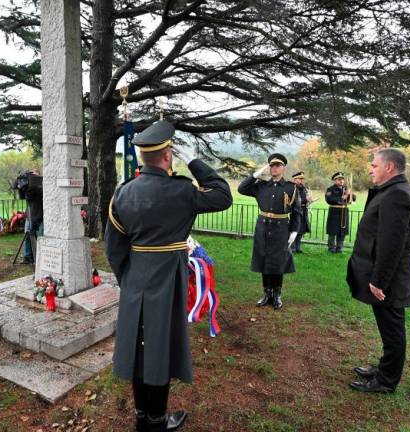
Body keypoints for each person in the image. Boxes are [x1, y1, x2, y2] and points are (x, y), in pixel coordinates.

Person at [105, 120, 232, 431]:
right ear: (167, 156)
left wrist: (129, 279)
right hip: (168, 276)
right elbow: (222, 195)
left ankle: (141, 418)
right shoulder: (182, 191)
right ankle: (157, 421)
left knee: (139, 344)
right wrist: (193, 160)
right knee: (160, 346)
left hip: (135, 277)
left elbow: (113, 248)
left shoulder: (122, 194)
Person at [346, 148, 410, 394]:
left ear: (389, 167)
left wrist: (379, 281)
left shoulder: (396, 194)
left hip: (390, 279)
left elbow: (392, 243)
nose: (370, 169)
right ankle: (384, 369)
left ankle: (387, 381)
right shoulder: (392, 191)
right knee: (388, 328)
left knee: (392, 329)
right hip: (387, 275)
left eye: (374, 165)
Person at [238, 153, 302, 310]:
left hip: (281, 229)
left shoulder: (290, 187)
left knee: (277, 261)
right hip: (263, 227)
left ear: (283, 168)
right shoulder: (261, 186)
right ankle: (266, 293)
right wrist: (257, 173)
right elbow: (241, 188)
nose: (274, 168)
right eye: (272, 166)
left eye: (277, 165)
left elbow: (297, 211)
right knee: (264, 259)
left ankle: (277, 294)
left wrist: (294, 231)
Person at [325, 172, 355, 253]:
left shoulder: (346, 188)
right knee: (332, 230)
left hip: (344, 211)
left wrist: (350, 193)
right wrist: (342, 197)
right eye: (339, 179)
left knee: (342, 230)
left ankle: (339, 248)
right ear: (335, 180)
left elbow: (353, 198)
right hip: (334, 211)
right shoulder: (330, 189)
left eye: (342, 179)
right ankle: (331, 248)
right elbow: (329, 199)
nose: (341, 181)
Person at [290, 171, 312, 253]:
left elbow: (305, 200)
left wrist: (309, 200)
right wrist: (305, 200)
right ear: (295, 179)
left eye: (302, 179)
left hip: (303, 210)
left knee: (301, 230)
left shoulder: (304, 188)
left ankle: (298, 247)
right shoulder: (292, 188)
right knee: (294, 229)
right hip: (295, 211)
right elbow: (295, 201)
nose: (302, 180)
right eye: (300, 179)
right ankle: (292, 248)